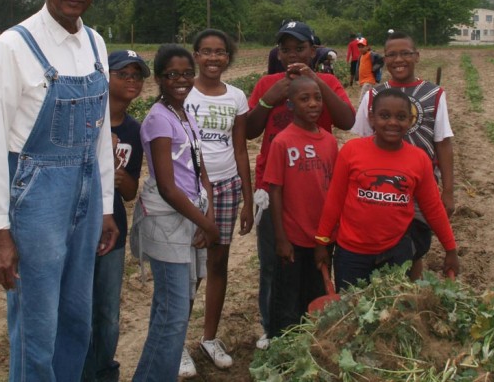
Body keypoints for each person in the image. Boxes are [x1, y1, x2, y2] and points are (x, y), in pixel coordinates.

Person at [0, 0, 118, 382]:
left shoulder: (96, 43)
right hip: (37, 195)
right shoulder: (13, 46)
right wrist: (0, 234)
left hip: (87, 189)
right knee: (37, 322)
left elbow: (100, 135)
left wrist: (107, 206)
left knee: (77, 316)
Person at [246, 20, 355, 349]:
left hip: (315, 186)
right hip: (272, 186)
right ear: (277, 53)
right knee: (273, 263)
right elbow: (250, 130)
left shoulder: (327, 82)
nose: (292, 54)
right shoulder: (267, 82)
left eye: (300, 48)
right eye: (285, 49)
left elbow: (347, 121)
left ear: (314, 50)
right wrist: (269, 99)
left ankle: (312, 324)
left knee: (316, 260)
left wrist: (317, 83)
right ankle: (273, 326)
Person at [130, 44, 219, 382]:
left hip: (189, 214)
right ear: (159, 79)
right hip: (168, 219)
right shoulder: (158, 119)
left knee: (171, 309)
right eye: (172, 75)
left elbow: (198, 168)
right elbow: (168, 187)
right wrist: (207, 225)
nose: (181, 80)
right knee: (174, 313)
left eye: (186, 73)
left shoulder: (184, 112)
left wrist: (204, 207)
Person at [314, 89, 460, 292]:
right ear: (372, 118)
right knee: (350, 312)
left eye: (400, 117)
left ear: (409, 121)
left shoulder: (418, 159)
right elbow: (334, 200)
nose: (392, 122)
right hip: (351, 253)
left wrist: (450, 249)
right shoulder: (351, 151)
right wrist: (322, 241)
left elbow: (433, 208)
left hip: (395, 252)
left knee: (389, 314)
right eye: (384, 116)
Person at [352, 31, 454, 281]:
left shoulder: (434, 94)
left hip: (420, 186)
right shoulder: (373, 95)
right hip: (380, 186)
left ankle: (410, 297)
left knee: (413, 249)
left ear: (417, 56)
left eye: (405, 53)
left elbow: (443, 143)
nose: (399, 59)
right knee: (380, 246)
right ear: (384, 59)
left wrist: (449, 191)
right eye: (392, 54)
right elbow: (362, 142)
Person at [184, 29, 253, 372]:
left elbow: (240, 148)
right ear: (195, 55)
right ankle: (176, 342)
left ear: (228, 57)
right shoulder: (183, 93)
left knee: (217, 262)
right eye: (206, 51)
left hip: (227, 186)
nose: (213, 58)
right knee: (188, 269)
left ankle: (209, 338)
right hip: (189, 191)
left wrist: (248, 197)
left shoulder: (237, 97)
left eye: (220, 52)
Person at [83, 50, 150, 382]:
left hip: (114, 230)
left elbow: (129, 191)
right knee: (79, 308)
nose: (132, 81)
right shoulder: (86, 120)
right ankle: (80, 371)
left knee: (108, 312)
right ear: (105, 76)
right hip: (80, 226)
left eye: (137, 76)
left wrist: (122, 178)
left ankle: (104, 371)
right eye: (124, 73)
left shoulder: (135, 132)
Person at [263, 76, 338, 336]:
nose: (313, 104)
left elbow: (333, 190)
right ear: (290, 105)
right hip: (292, 241)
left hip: (321, 238)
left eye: (317, 98)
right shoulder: (282, 142)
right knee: (286, 303)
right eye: (304, 99)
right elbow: (275, 190)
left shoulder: (329, 141)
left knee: (315, 298)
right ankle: (279, 354)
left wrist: (326, 239)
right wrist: (281, 239)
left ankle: (310, 351)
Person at [355, 37, 384, 102]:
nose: (360, 48)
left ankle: (361, 111)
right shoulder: (361, 56)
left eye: (362, 46)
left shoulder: (370, 54)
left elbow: (381, 59)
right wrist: (357, 78)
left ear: (368, 47)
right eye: (359, 47)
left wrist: (374, 68)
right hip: (363, 82)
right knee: (369, 100)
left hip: (369, 81)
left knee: (362, 101)